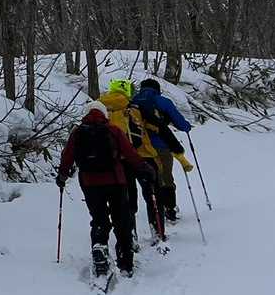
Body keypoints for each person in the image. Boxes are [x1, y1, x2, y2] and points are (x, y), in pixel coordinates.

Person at [56, 100, 154, 278]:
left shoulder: (77, 133)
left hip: (89, 183)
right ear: (104, 114)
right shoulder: (113, 130)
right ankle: (125, 260)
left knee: (99, 218)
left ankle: (99, 248)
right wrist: (144, 168)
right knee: (121, 219)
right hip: (115, 181)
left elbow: (67, 156)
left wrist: (62, 176)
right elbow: (130, 153)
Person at [99, 79, 163, 246]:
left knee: (127, 199)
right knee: (152, 194)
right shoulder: (134, 107)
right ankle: (158, 231)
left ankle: (131, 235)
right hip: (142, 156)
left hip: (117, 160)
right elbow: (156, 126)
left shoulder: (101, 108)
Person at [131, 78, 194, 223]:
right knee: (166, 177)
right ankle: (169, 209)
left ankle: (155, 209)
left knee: (150, 179)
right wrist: (187, 127)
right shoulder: (162, 101)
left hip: (140, 147)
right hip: (161, 145)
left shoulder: (133, 101)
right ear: (157, 89)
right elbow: (180, 122)